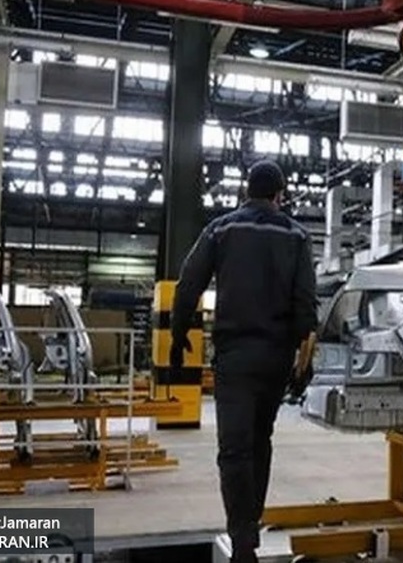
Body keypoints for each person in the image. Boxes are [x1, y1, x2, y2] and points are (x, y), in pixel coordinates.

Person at [169, 159, 318, 563]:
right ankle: (250, 524)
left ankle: (243, 541)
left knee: (234, 449)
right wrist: (304, 362)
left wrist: (179, 336)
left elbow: (188, 285)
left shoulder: (222, 229)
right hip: (276, 358)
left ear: (245, 191)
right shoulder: (297, 235)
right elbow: (306, 304)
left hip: (234, 357)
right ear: (280, 194)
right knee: (259, 440)